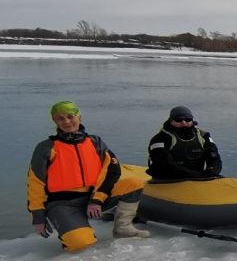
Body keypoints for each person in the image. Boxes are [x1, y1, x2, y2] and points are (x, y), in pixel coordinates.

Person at [26, 101, 150, 252]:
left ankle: (122, 228)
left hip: (93, 199)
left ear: (79, 117)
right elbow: (35, 183)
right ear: (55, 121)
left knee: (133, 183)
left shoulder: (95, 142)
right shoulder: (46, 147)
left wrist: (97, 199)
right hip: (63, 204)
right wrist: (38, 216)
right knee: (81, 244)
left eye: (71, 116)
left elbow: (112, 171)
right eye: (60, 118)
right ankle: (74, 230)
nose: (67, 122)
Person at [146, 105, 222, 180]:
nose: (183, 122)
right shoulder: (159, 139)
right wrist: (196, 175)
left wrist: (211, 172)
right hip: (166, 179)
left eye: (188, 119)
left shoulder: (203, 136)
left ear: (192, 120)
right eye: (178, 120)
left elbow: (214, 157)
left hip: (197, 178)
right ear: (171, 120)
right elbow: (164, 163)